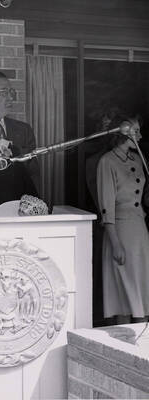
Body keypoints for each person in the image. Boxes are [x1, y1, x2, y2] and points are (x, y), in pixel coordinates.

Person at [96, 117, 149, 324]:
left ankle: (143, 342)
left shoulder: (137, 159)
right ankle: (124, 341)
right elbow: (106, 207)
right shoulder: (107, 162)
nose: (140, 135)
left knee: (142, 286)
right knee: (124, 290)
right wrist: (115, 243)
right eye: (136, 131)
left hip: (139, 228)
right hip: (120, 230)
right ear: (123, 132)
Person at [0, 70, 40, 190]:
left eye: (11, 92)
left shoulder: (24, 130)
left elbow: (33, 174)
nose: (11, 98)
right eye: (4, 93)